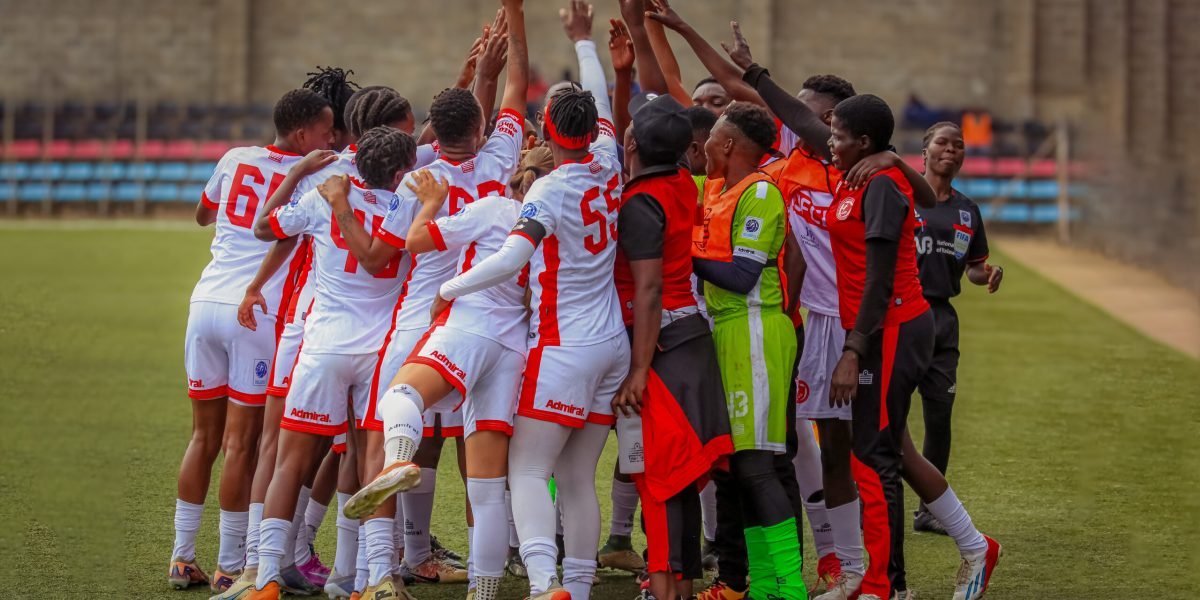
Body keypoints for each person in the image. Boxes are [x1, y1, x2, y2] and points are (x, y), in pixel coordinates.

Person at [326, 3, 524, 598]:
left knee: (385, 430)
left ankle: (371, 573)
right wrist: (513, 23)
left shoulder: (417, 177)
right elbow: (511, 90)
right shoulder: (502, 156)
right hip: (496, 318)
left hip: (420, 310)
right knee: (475, 455)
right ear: (482, 127)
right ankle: (481, 569)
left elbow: (385, 254)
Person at [432, 3, 627, 597]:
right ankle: (580, 585)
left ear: (545, 133)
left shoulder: (548, 187)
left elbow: (514, 259)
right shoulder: (609, 161)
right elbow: (596, 92)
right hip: (611, 345)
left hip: (564, 346)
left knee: (528, 470)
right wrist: (584, 43)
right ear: (593, 130)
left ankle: (547, 584)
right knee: (575, 477)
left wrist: (448, 287)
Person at [219, 84, 424, 600]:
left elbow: (265, 227)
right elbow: (381, 259)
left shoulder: (324, 193)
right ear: (399, 169)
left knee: (291, 459)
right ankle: (370, 577)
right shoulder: (407, 204)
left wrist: (296, 174)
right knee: (368, 459)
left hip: (323, 345)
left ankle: (264, 577)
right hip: (379, 351)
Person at [825, 94, 1001, 600]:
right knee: (895, 448)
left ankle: (881, 586)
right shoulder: (856, 167)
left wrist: (854, 349)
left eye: (836, 133)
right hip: (885, 326)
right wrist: (752, 74)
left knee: (874, 456)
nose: (828, 139)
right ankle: (973, 546)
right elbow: (798, 120)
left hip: (894, 327)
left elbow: (880, 281)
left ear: (862, 141)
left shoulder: (880, 185)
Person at [169, 87, 333, 593]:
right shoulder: (321, 172)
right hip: (255, 313)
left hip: (205, 304)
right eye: (326, 131)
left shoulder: (234, 157)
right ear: (304, 134)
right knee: (242, 444)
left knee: (203, 438)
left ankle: (181, 557)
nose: (330, 141)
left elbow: (203, 214)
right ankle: (228, 564)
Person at [691, 100, 806, 600]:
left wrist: (683, 255)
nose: (703, 147)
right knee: (740, 466)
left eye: (711, 138)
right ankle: (762, 586)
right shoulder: (718, 189)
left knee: (758, 464)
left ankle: (792, 586)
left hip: (756, 330)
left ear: (730, 144)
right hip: (728, 331)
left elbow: (741, 276)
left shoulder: (760, 193)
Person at [911, 121, 1003, 534]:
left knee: (939, 417)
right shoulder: (902, 197)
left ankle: (929, 511)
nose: (951, 150)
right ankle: (872, 502)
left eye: (959, 145)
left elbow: (974, 270)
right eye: (943, 143)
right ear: (925, 151)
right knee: (887, 415)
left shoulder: (968, 210)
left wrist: (989, 274)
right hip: (904, 313)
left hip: (944, 321)